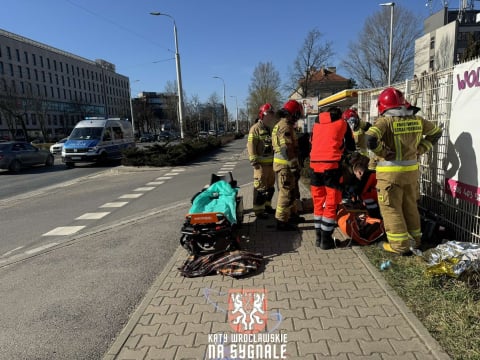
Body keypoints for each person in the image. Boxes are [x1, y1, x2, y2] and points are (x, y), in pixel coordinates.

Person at [365, 87, 443, 255]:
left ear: (383, 106)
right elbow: (436, 133)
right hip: (411, 175)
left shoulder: (385, 122)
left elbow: (370, 139)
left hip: (390, 177)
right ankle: (416, 240)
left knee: (392, 209)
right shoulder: (418, 120)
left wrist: (383, 152)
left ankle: (399, 246)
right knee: (410, 207)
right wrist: (421, 148)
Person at [310, 106, 356, 249]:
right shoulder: (343, 123)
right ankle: (326, 239)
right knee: (331, 202)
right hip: (331, 166)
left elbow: (312, 141)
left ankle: (318, 237)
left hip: (314, 165)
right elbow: (351, 146)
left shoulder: (316, 124)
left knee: (318, 201)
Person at [272, 100, 304, 231]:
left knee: (290, 192)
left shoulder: (283, 124)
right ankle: (281, 221)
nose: (298, 117)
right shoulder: (285, 126)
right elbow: (286, 150)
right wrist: (293, 166)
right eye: (297, 114)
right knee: (285, 194)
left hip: (285, 166)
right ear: (293, 113)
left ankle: (291, 216)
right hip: (285, 167)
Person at [247, 103, 277, 218]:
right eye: (269, 114)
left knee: (270, 188)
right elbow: (251, 145)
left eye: (271, 115)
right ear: (262, 115)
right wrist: (254, 162)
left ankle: (267, 206)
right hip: (260, 166)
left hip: (270, 165)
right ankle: (259, 212)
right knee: (260, 189)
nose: (271, 117)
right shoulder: (255, 129)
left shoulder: (269, 129)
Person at [349, 152, 382, 220]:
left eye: (356, 175)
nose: (356, 177)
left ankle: (374, 216)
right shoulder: (371, 173)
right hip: (381, 195)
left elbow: (360, 190)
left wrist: (354, 200)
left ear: (359, 172)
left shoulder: (367, 176)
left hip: (381, 197)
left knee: (367, 194)